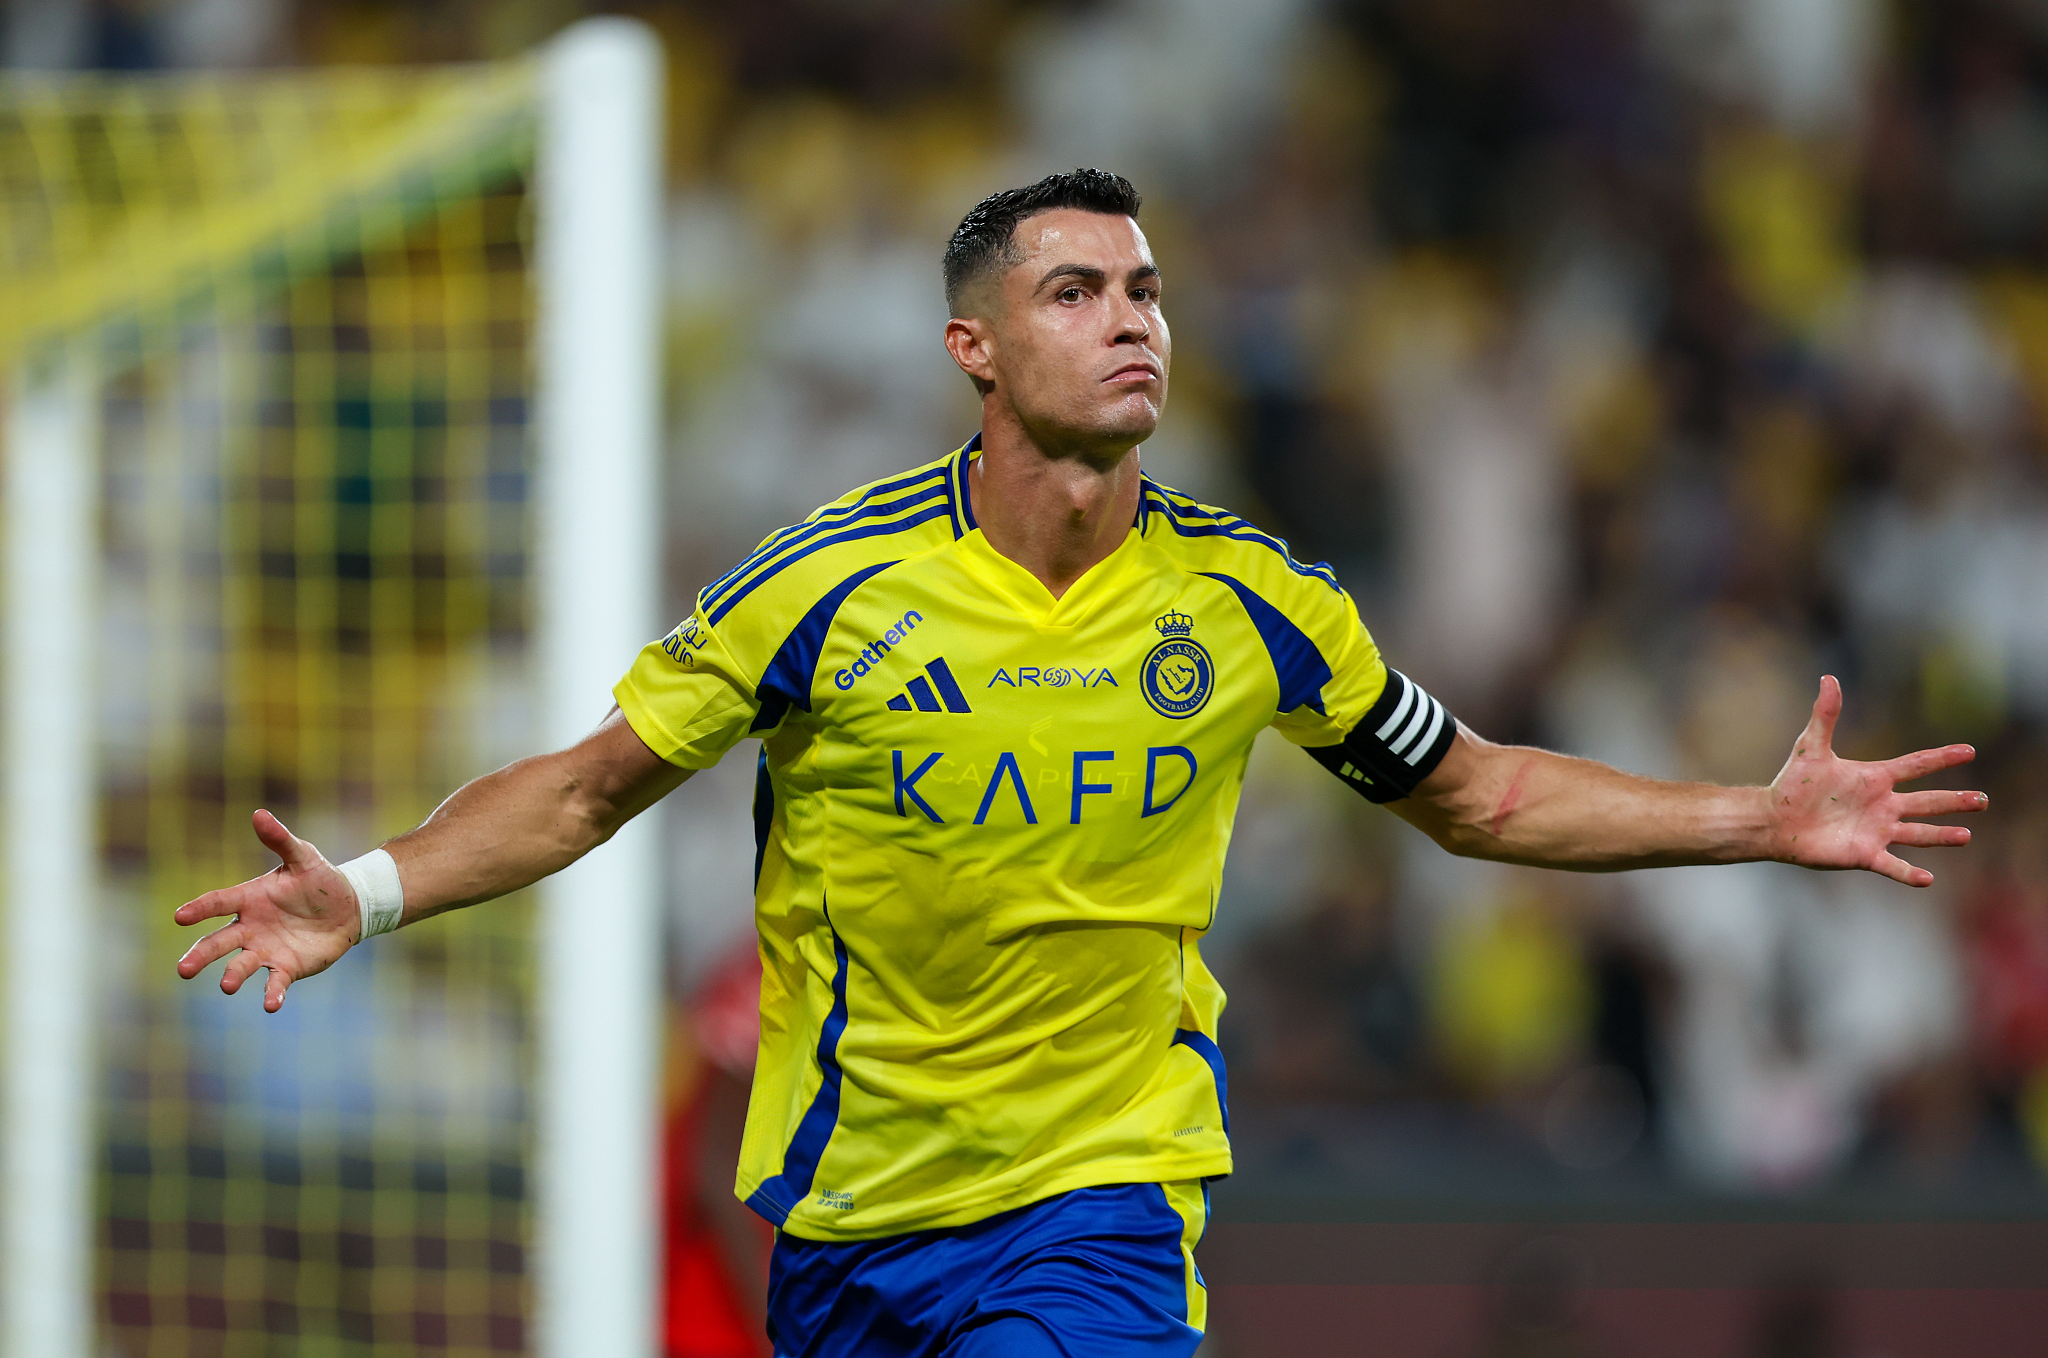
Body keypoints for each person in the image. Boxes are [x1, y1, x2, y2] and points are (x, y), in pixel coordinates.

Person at [174, 169, 1987, 1357]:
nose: (1134, 318)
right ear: (974, 345)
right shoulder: (826, 588)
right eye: (1075, 290)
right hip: (852, 1218)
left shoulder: (1256, 601)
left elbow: (1482, 792)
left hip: (1099, 1204)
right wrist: (378, 887)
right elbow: (580, 790)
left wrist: (1758, 814)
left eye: (1147, 289)